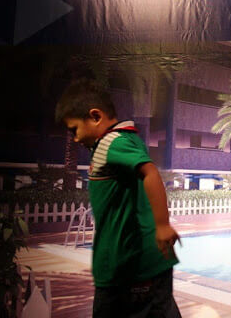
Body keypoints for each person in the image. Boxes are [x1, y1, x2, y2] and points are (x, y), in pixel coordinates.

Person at [55, 79, 182, 318]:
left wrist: (163, 225)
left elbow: (150, 172)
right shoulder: (119, 140)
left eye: (74, 130)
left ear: (95, 117)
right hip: (133, 264)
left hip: (131, 267)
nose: (75, 139)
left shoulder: (113, 143)